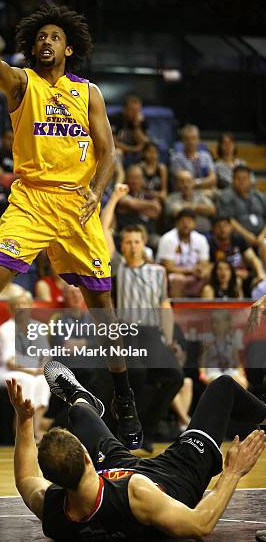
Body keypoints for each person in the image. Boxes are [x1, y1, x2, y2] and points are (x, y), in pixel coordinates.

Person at [0, 4, 143, 450]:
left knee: (104, 312)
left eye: (54, 37)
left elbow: (108, 152)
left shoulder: (89, 92)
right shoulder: (22, 83)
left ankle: (124, 397)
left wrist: (97, 190)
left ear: (68, 47)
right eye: (40, 37)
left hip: (77, 206)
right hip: (32, 200)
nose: (46, 42)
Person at [6, 362, 266, 540]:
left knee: (79, 414)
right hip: (174, 474)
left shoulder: (52, 509)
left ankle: (81, 399)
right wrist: (233, 471)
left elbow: (26, 479)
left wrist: (25, 420)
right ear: (87, 458)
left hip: (113, 471)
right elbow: (200, 524)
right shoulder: (137, 493)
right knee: (223, 387)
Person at [101, 183, 183, 451]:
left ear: (144, 243)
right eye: (127, 241)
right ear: (122, 246)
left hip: (151, 332)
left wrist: (168, 339)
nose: (132, 246)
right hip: (127, 331)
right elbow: (103, 229)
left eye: (136, 241)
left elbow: (165, 305)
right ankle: (126, 428)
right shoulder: (119, 266)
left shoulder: (158, 271)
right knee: (136, 374)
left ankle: (145, 427)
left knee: (174, 376)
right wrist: (114, 197)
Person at [0, 291, 51, 441]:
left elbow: (45, 355)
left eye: (24, 303)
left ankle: (35, 428)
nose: (20, 307)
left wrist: (42, 367)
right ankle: (19, 427)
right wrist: (31, 369)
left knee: (43, 381)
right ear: (11, 308)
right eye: (16, 304)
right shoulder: (5, 329)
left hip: (34, 371)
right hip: (9, 371)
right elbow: (9, 361)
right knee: (27, 380)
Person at [157, 208, 211, 297]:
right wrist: (191, 271)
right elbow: (168, 267)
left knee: (209, 277)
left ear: (194, 224)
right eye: (183, 221)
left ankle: (205, 310)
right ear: (177, 223)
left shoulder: (201, 239)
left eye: (189, 221)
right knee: (178, 279)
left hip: (194, 275)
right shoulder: (167, 239)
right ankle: (177, 310)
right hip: (172, 275)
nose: (186, 224)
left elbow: (204, 263)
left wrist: (201, 271)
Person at [209, 215, 265, 295]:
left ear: (231, 227)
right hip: (220, 277)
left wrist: (260, 273)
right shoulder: (210, 244)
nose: (222, 229)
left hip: (243, 276)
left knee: (255, 279)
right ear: (213, 229)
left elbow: (253, 258)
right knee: (236, 281)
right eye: (219, 226)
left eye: (225, 226)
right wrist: (234, 273)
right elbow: (209, 266)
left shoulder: (238, 240)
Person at [217, 165, 266, 249]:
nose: (241, 182)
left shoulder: (260, 196)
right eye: (238, 178)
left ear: (250, 180)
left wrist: (262, 236)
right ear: (232, 180)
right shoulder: (226, 196)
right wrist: (247, 236)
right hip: (239, 237)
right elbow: (229, 220)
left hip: (262, 237)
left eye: (245, 179)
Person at [115, 165, 161, 249]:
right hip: (127, 234)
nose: (134, 181)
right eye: (132, 178)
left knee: (160, 242)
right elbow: (129, 203)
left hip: (149, 235)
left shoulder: (147, 195)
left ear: (142, 180)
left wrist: (137, 206)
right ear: (126, 179)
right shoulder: (121, 194)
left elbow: (156, 211)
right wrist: (150, 205)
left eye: (137, 178)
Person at [198, 309, 248, 389]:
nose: (214, 325)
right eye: (212, 322)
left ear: (227, 324)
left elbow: (237, 362)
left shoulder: (232, 343)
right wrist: (203, 375)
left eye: (217, 322)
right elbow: (202, 362)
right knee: (221, 382)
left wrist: (242, 373)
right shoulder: (208, 343)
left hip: (230, 371)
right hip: (213, 373)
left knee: (242, 382)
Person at [170, 124, 216, 190]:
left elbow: (213, 179)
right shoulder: (176, 159)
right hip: (184, 195)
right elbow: (183, 184)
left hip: (206, 193)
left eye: (193, 138)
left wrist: (196, 182)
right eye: (187, 139)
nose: (190, 142)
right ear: (182, 141)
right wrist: (205, 183)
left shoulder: (206, 156)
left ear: (198, 140)